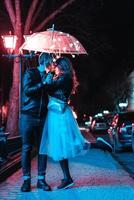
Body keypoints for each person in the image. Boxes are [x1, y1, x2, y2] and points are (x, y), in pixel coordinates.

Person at [39, 57, 89, 190]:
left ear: (62, 66)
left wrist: (48, 73)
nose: (55, 67)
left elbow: (48, 87)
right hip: (57, 113)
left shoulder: (64, 78)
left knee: (64, 145)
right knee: (62, 145)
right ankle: (67, 177)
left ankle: (100, 145)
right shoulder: (64, 78)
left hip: (59, 115)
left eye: (56, 65)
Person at [20, 53, 53, 192]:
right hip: (28, 115)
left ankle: (41, 180)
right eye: (51, 61)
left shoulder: (49, 76)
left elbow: (49, 94)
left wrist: (51, 83)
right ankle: (26, 180)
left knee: (42, 149)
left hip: (43, 116)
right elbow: (27, 91)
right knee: (27, 148)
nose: (52, 64)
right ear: (45, 62)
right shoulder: (30, 73)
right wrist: (43, 83)